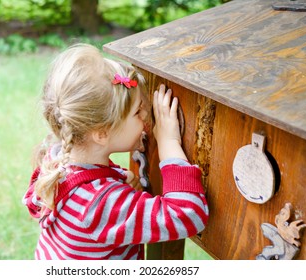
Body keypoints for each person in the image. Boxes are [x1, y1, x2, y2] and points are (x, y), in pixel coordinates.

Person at [23, 43, 209, 260]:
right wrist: (169, 142)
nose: (146, 117)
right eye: (138, 112)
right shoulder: (100, 206)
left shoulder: (56, 157)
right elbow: (189, 215)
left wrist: (118, 182)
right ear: (101, 133)